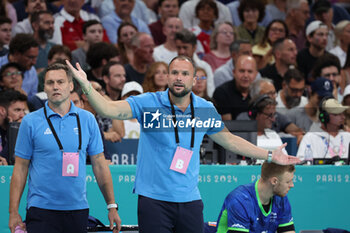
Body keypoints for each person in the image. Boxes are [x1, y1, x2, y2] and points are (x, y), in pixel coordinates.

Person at [67, 55, 299, 233]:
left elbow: (229, 139)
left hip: (190, 201)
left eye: (185, 73)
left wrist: (269, 156)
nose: (179, 77)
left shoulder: (205, 108)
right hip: (154, 201)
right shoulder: (149, 103)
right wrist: (86, 86)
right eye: (174, 72)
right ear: (167, 77)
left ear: (194, 79)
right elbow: (109, 109)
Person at [8, 62, 121, 233]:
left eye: (60, 82)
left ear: (70, 86)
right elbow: (20, 168)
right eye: (50, 83)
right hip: (41, 209)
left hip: (77, 209)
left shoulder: (88, 119)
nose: (55, 87)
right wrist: (13, 212)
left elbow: (99, 164)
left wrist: (112, 206)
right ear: (44, 88)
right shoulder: (30, 121)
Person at [215, 162, 295, 233]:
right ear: (274, 181)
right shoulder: (240, 200)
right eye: (288, 182)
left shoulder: (281, 199)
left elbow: (288, 231)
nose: (292, 185)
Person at [213, 55, 257, 120]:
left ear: (256, 74)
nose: (245, 75)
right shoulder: (222, 92)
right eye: (242, 71)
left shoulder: (259, 92)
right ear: (234, 72)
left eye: (250, 72)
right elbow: (228, 125)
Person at [175, 28, 214, 97]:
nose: (181, 51)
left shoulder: (205, 67)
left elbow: (210, 92)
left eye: (185, 48)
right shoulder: (170, 66)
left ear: (194, 47)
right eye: (179, 48)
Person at [0, 33, 39, 98]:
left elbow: (33, 101)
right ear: (16, 54)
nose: (34, 63)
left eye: (35, 57)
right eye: (30, 57)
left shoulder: (32, 72)